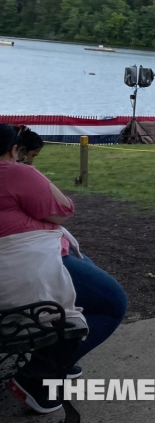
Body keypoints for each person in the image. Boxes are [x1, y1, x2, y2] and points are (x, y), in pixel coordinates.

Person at [0, 124, 129, 414]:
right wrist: (32, 174)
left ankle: (60, 359)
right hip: (20, 266)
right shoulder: (14, 172)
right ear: (14, 150)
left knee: (85, 265)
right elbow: (63, 210)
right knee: (112, 303)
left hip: (27, 258)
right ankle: (39, 375)